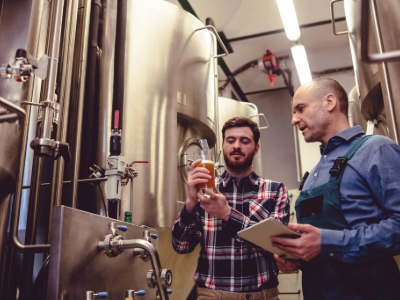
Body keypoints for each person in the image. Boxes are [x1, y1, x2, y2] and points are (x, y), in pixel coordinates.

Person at [270, 78, 400, 300]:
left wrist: (327, 243)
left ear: (330, 102)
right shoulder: (313, 176)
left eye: (300, 109)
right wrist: (299, 257)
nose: (294, 120)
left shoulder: (376, 149)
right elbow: (318, 242)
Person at [172, 117, 290, 300]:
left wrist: (227, 214)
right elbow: (181, 246)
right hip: (211, 295)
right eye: (230, 140)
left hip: (263, 295)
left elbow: (278, 246)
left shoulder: (275, 191)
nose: (237, 146)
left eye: (245, 141)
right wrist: (190, 201)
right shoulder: (205, 191)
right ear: (223, 146)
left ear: (256, 148)